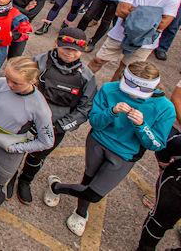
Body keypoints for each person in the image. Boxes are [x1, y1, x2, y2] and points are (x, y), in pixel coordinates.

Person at [45, 61, 175, 237]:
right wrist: (112, 112)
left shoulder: (165, 108)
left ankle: (56, 186)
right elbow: (95, 122)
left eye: (140, 93)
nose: (133, 97)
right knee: (87, 179)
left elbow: (156, 144)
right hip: (97, 142)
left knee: (95, 193)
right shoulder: (109, 89)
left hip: (125, 155)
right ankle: (80, 212)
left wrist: (142, 125)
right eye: (129, 91)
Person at [10, 28, 96, 205]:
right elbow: (17, 87)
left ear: (81, 51)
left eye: (74, 50)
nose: (69, 53)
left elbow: (84, 109)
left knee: (37, 158)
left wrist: (59, 127)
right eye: (65, 48)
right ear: (56, 44)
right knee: (14, 151)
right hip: (26, 122)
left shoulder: (87, 77)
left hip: (56, 127)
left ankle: (25, 180)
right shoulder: (38, 62)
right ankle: (10, 176)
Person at [0, 57, 54, 234]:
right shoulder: (0, 84)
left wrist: (18, 148)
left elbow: (47, 141)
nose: (9, 84)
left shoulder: (40, 107)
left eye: (15, 82)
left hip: (9, 148)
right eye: (7, 77)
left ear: (32, 81)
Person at [88, 0, 180, 80]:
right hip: (120, 34)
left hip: (145, 42)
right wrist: (152, 16)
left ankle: (111, 94)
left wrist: (135, 10)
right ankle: (81, 84)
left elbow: (163, 24)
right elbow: (120, 11)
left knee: (127, 70)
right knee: (98, 60)